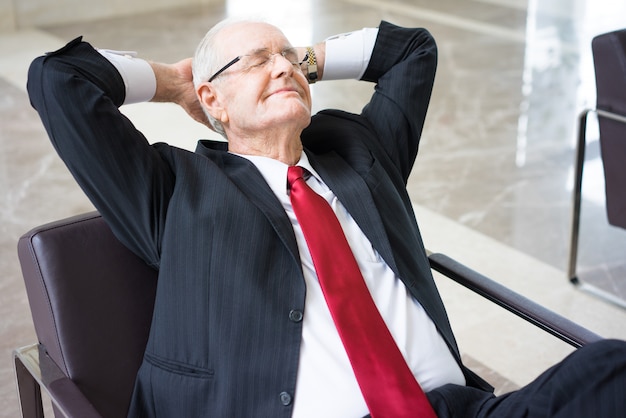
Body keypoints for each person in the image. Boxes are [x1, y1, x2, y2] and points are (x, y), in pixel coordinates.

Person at [27, 17, 626, 418]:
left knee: (610, 367)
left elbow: (412, 51)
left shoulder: (363, 155)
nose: (284, 67)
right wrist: (174, 82)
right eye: (255, 60)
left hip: (452, 407)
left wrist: (294, 61)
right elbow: (59, 80)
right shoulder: (175, 190)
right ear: (212, 99)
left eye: (289, 58)